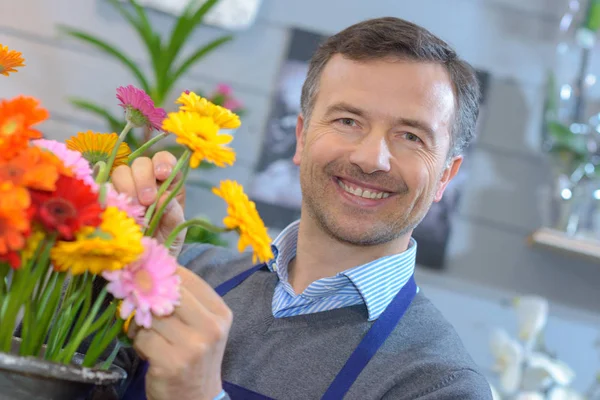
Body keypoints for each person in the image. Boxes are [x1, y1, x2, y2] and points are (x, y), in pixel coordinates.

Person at [111, 17, 493, 400]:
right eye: (348, 121)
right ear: (301, 136)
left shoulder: (442, 385)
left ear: (446, 175)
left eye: (410, 136)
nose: (371, 158)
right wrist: (123, 265)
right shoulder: (185, 273)